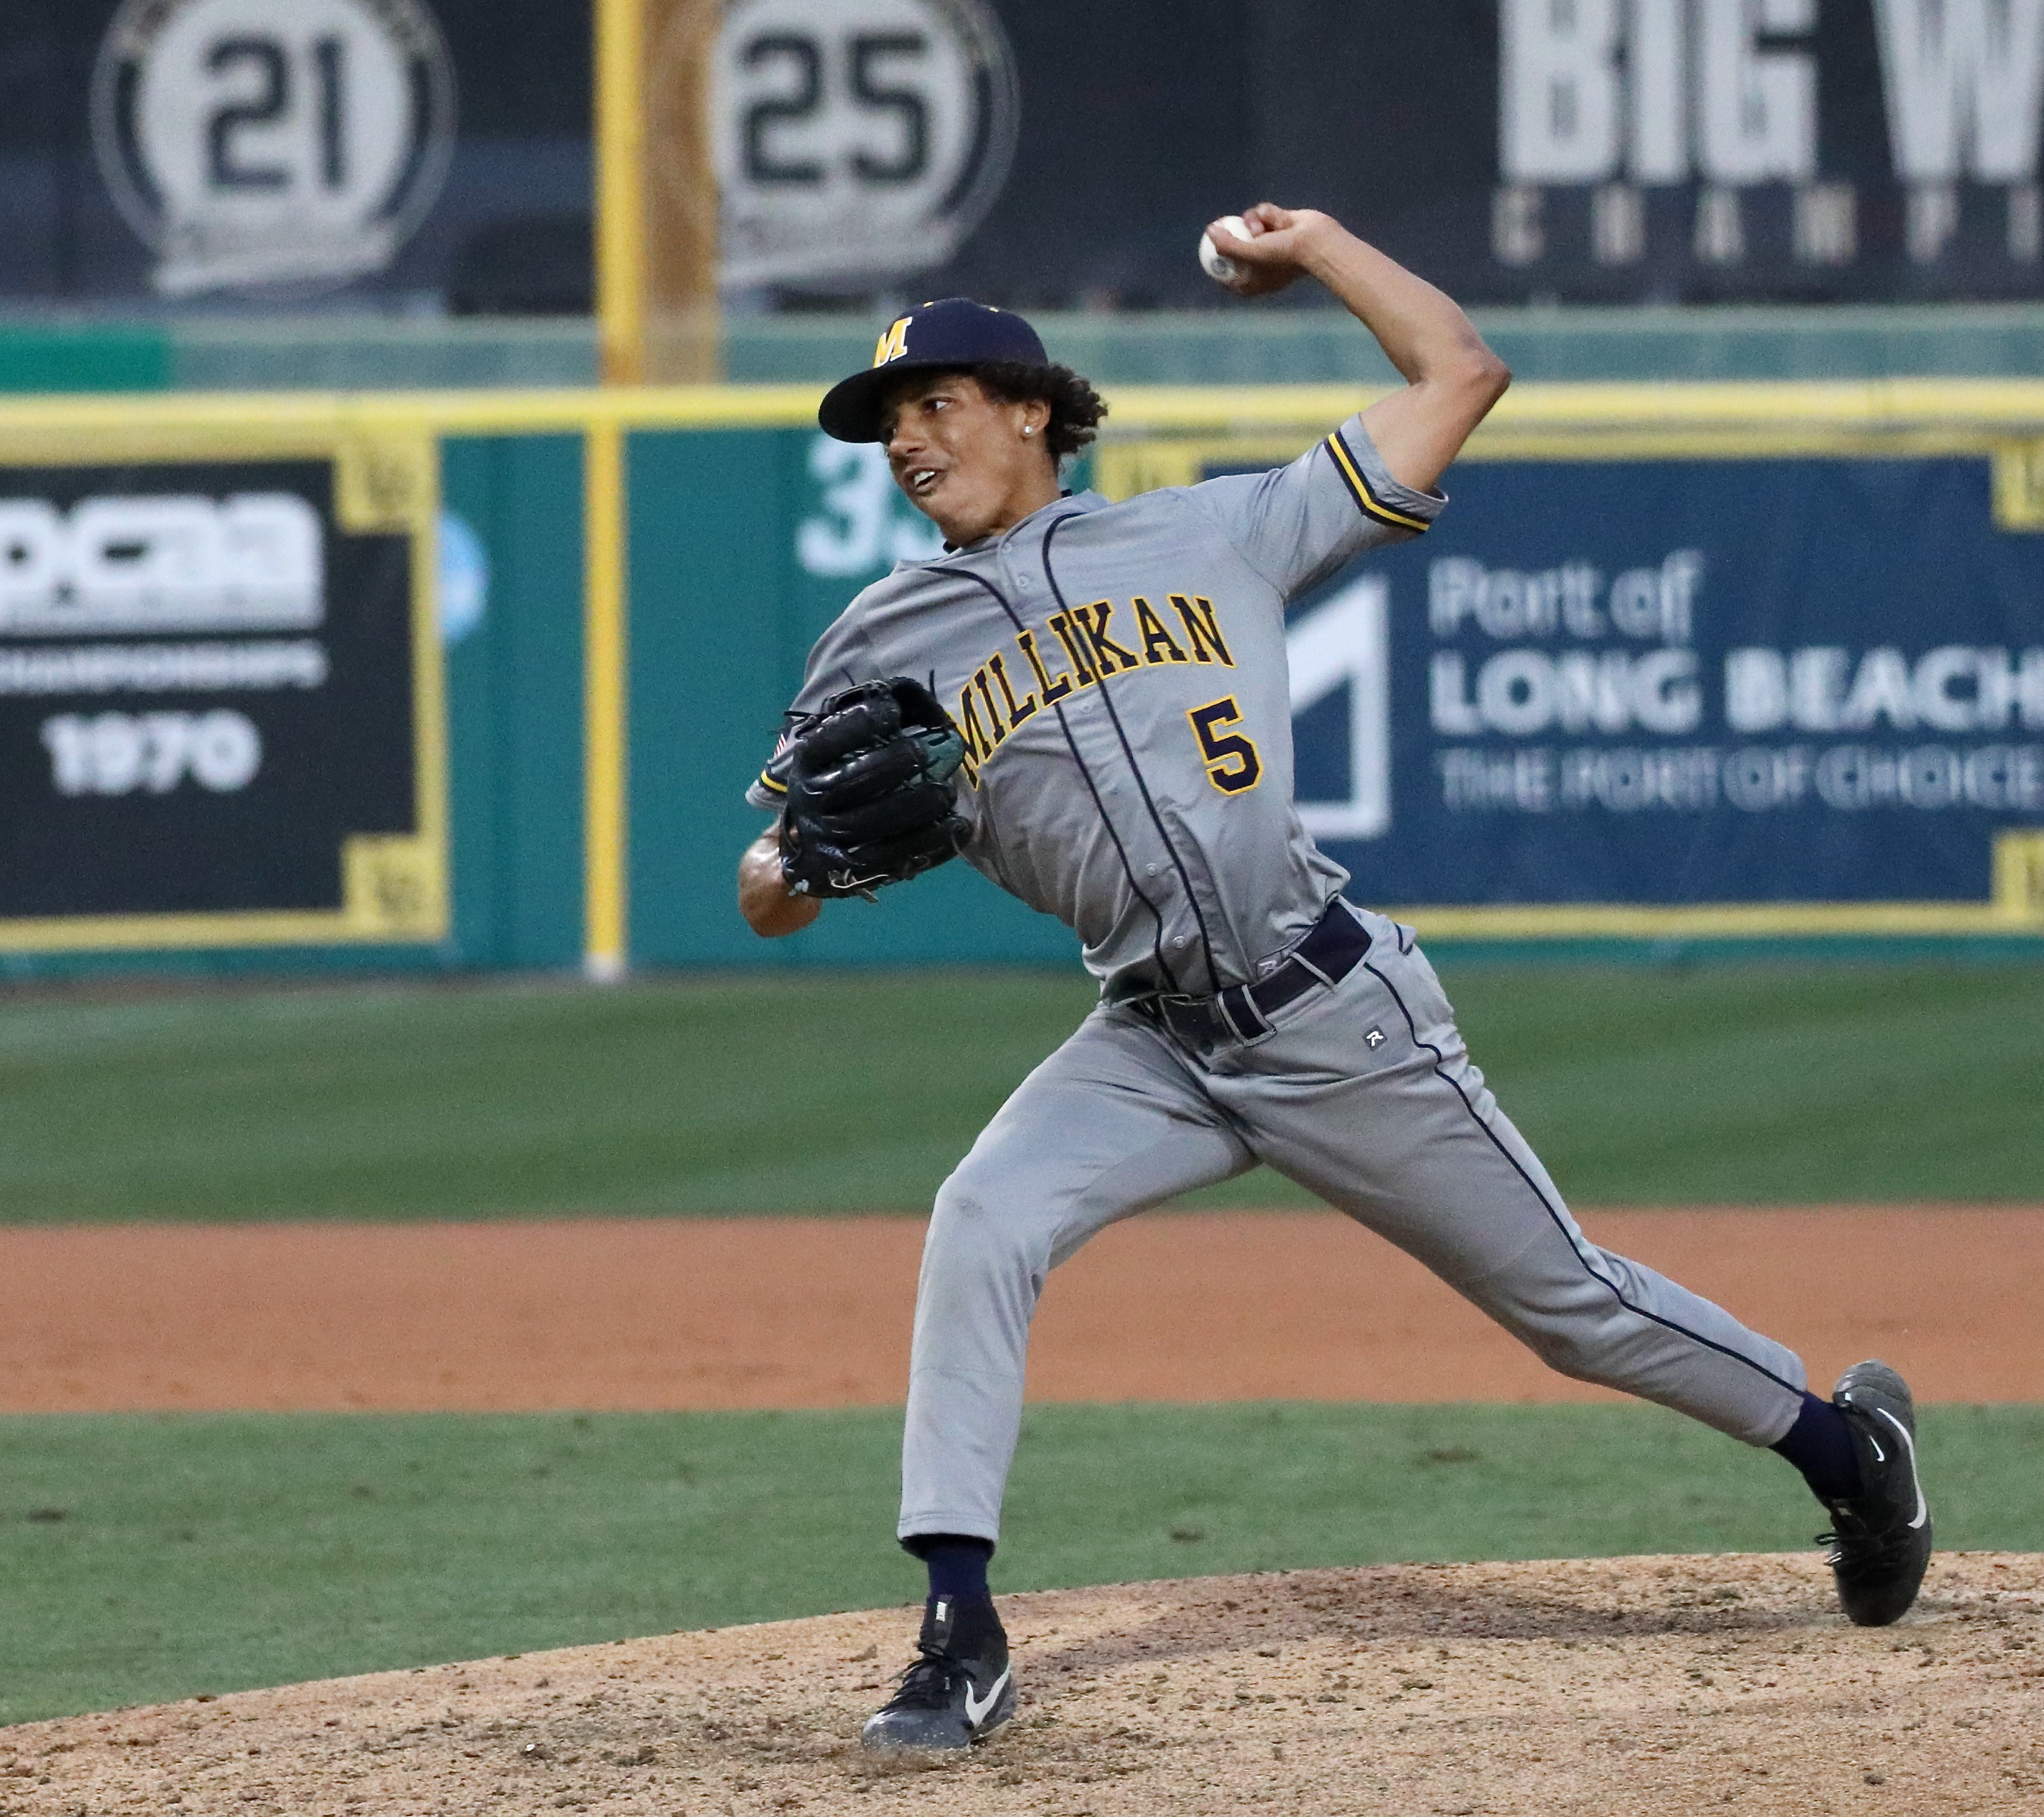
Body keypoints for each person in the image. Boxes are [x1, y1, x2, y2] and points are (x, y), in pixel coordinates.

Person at [736, 203, 1932, 1753]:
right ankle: (957, 1629)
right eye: (886, 423)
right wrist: (805, 869)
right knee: (985, 1215)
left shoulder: (1213, 529)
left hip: (1334, 1014)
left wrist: (1322, 248)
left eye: (935, 403)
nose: (907, 441)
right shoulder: (877, 637)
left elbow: (1460, 371)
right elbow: (770, 881)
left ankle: (1850, 1453)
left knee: (1568, 1308)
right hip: (1151, 1042)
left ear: (1032, 408)